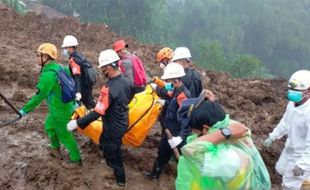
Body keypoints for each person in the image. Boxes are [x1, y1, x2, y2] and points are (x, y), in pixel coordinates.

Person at [67, 49, 135, 187]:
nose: (103, 71)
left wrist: (77, 123)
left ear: (108, 67)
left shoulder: (107, 88)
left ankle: (120, 181)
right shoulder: (127, 82)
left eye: (103, 68)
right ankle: (112, 165)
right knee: (107, 144)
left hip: (112, 127)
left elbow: (98, 112)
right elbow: (128, 99)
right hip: (123, 122)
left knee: (113, 152)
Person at [176, 100, 271, 190]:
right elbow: (227, 124)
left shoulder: (227, 158)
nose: (196, 136)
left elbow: (189, 150)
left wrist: (223, 133)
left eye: (197, 132)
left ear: (205, 128)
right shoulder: (237, 133)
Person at [19, 43, 81, 167]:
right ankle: (55, 148)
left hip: (60, 110)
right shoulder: (59, 67)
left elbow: (38, 97)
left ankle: (76, 160)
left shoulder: (48, 76)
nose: (36, 57)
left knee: (64, 134)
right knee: (49, 126)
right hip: (64, 106)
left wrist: (24, 111)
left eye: (38, 55)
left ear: (46, 57)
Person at [263, 70, 310, 190]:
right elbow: (285, 123)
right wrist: (272, 137)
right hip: (291, 146)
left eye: (297, 92)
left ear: (308, 91)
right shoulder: (292, 104)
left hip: (303, 154)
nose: (293, 94)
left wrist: (302, 164)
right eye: (292, 91)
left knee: (290, 184)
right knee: (281, 169)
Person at [145, 62, 191, 180]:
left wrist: (180, 137)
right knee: (162, 153)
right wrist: (165, 101)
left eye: (170, 81)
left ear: (176, 81)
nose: (168, 84)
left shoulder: (184, 96)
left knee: (182, 158)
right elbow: (170, 95)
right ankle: (154, 175)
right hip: (168, 130)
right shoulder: (176, 89)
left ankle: (187, 179)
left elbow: (187, 119)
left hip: (176, 134)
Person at [62, 35, 96, 109]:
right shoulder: (80, 55)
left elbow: (77, 77)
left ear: (70, 47)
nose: (64, 50)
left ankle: (99, 118)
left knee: (87, 106)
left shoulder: (73, 59)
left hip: (82, 86)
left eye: (65, 48)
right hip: (88, 84)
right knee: (91, 104)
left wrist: (78, 92)